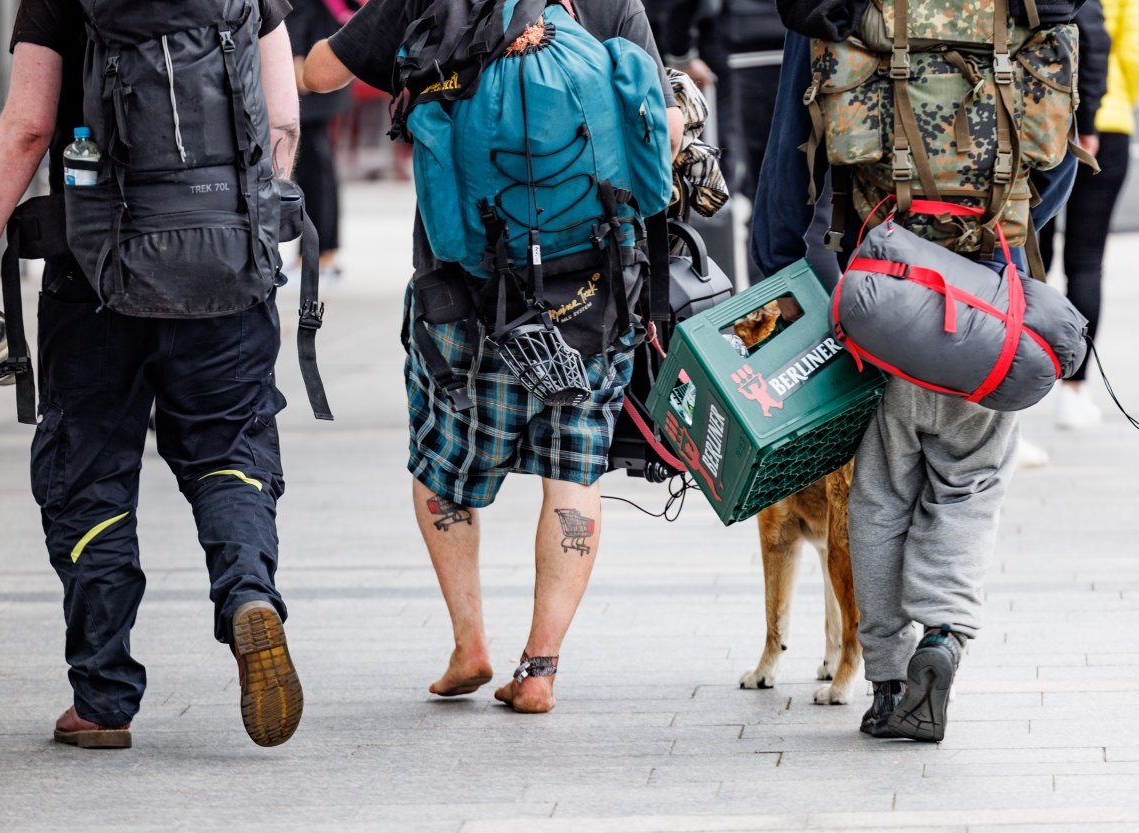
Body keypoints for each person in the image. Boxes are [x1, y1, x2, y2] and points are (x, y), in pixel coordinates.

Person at [0, 0, 304, 749]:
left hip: (94, 274)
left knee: (90, 470)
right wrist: (239, 228)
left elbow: (28, 127)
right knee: (229, 450)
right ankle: (247, 596)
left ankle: (103, 698)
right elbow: (283, 119)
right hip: (225, 268)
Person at [303, 0, 684, 714]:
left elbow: (323, 72)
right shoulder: (608, 4)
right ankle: (539, 667)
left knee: (442, 457)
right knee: (574, 466)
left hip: (464, 286)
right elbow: (662, 126)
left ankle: (468, 642)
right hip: (593, 285)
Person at [752, 2, 1083, 741]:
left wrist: (776, 275)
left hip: (880, 291)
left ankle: (887, 679)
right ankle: (946, 636)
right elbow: (1056, 166)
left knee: (878, 495)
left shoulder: (841, 8)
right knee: (969, 484)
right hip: (988, 305)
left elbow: (786, 162)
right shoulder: (1032, 8)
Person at [1040, 0, 1135, 430]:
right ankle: (1074, 393)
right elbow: (1127, 48)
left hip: (1040, 118)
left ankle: (1015, 387)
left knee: (1031, 263)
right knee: (1086, 262)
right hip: (1102, 125)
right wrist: (1103, 111)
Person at [289, 0, 353, 280]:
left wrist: (294, 59)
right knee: (316, 166)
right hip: (323, 63)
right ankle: (320, 252)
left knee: (314, 168)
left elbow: (300, 15)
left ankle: (317, 254)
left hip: (309, 69)